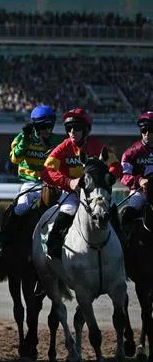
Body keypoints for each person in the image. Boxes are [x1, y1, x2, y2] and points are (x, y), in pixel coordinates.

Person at [41, 108, 122, 260]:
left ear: (86, 130)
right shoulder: (63, 147)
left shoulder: (98, 147)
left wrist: (110, 177)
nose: (72, 132)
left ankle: (123, 246)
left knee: (111, 210)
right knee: (67, 211)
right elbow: (47, 171)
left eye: (77, 128)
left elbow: (116, 166)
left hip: (94, 194)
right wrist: (68, 182)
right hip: (71, 194)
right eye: (68, 128)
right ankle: (53, 248)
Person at [0, 105, 59, 245]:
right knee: (21, 207)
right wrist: (25, 140)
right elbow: (15, 159)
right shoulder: (23, 137)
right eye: (44, 127)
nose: (48, 131)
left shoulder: (57, 140)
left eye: (50, 127)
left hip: (52, 184)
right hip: (31, 183)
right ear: (36, 126)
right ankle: (10, 238)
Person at [118, 110, 153, 240]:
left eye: (151, 130)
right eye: (144, 130)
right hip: (140, 192)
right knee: (127, 215)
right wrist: (139, 180)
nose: (147, 134)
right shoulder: (131, 152)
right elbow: (123, 175)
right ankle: (124, 245)